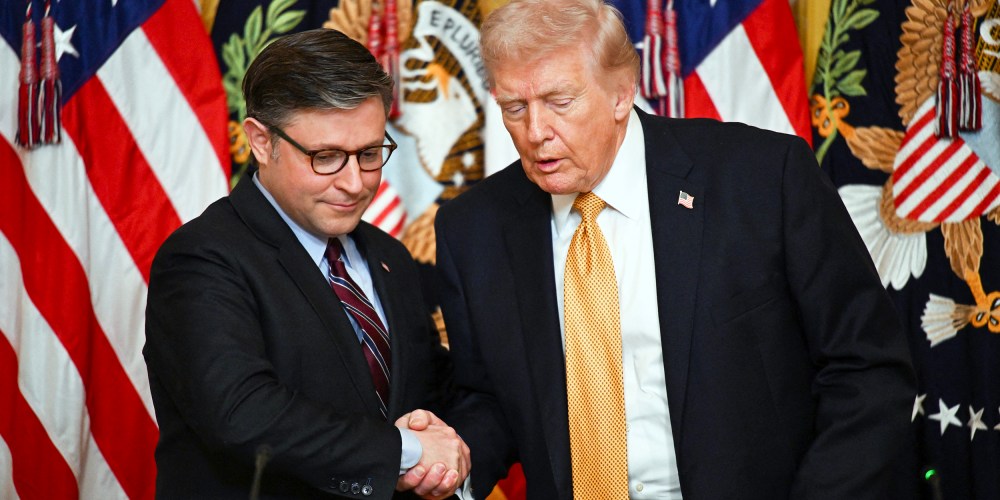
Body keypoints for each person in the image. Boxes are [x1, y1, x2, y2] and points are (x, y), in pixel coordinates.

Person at [434, 1, 916, 499]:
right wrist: (448, 459)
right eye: (515, 107)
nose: (535, 133)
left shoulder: (762, 179)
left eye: (560, 101)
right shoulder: (474, 230)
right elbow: (490, 401)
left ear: (621, 94)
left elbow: (868, 371)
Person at [144, 28, 468, 499]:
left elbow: (425, 388)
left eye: (371, 153)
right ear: (260, 141)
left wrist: (444, 435)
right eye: (327, 157)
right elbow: (243, 414)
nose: (356, 183)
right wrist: (408, 449)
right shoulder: (201, 259)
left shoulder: (389, 256)